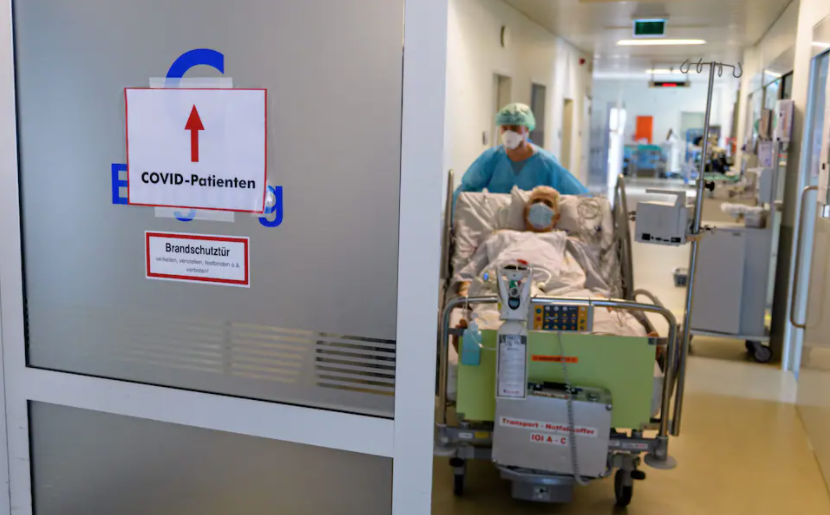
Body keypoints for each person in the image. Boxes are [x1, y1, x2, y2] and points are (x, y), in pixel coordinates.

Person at [454, 103, 588, 204]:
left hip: (533, 225)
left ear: (527, 128)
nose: (508, 133)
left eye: (514, 128)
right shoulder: (491, 158)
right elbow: (466, 190)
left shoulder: (545, 163)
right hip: (498, 223)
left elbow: (577, 195)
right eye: (504, 128)